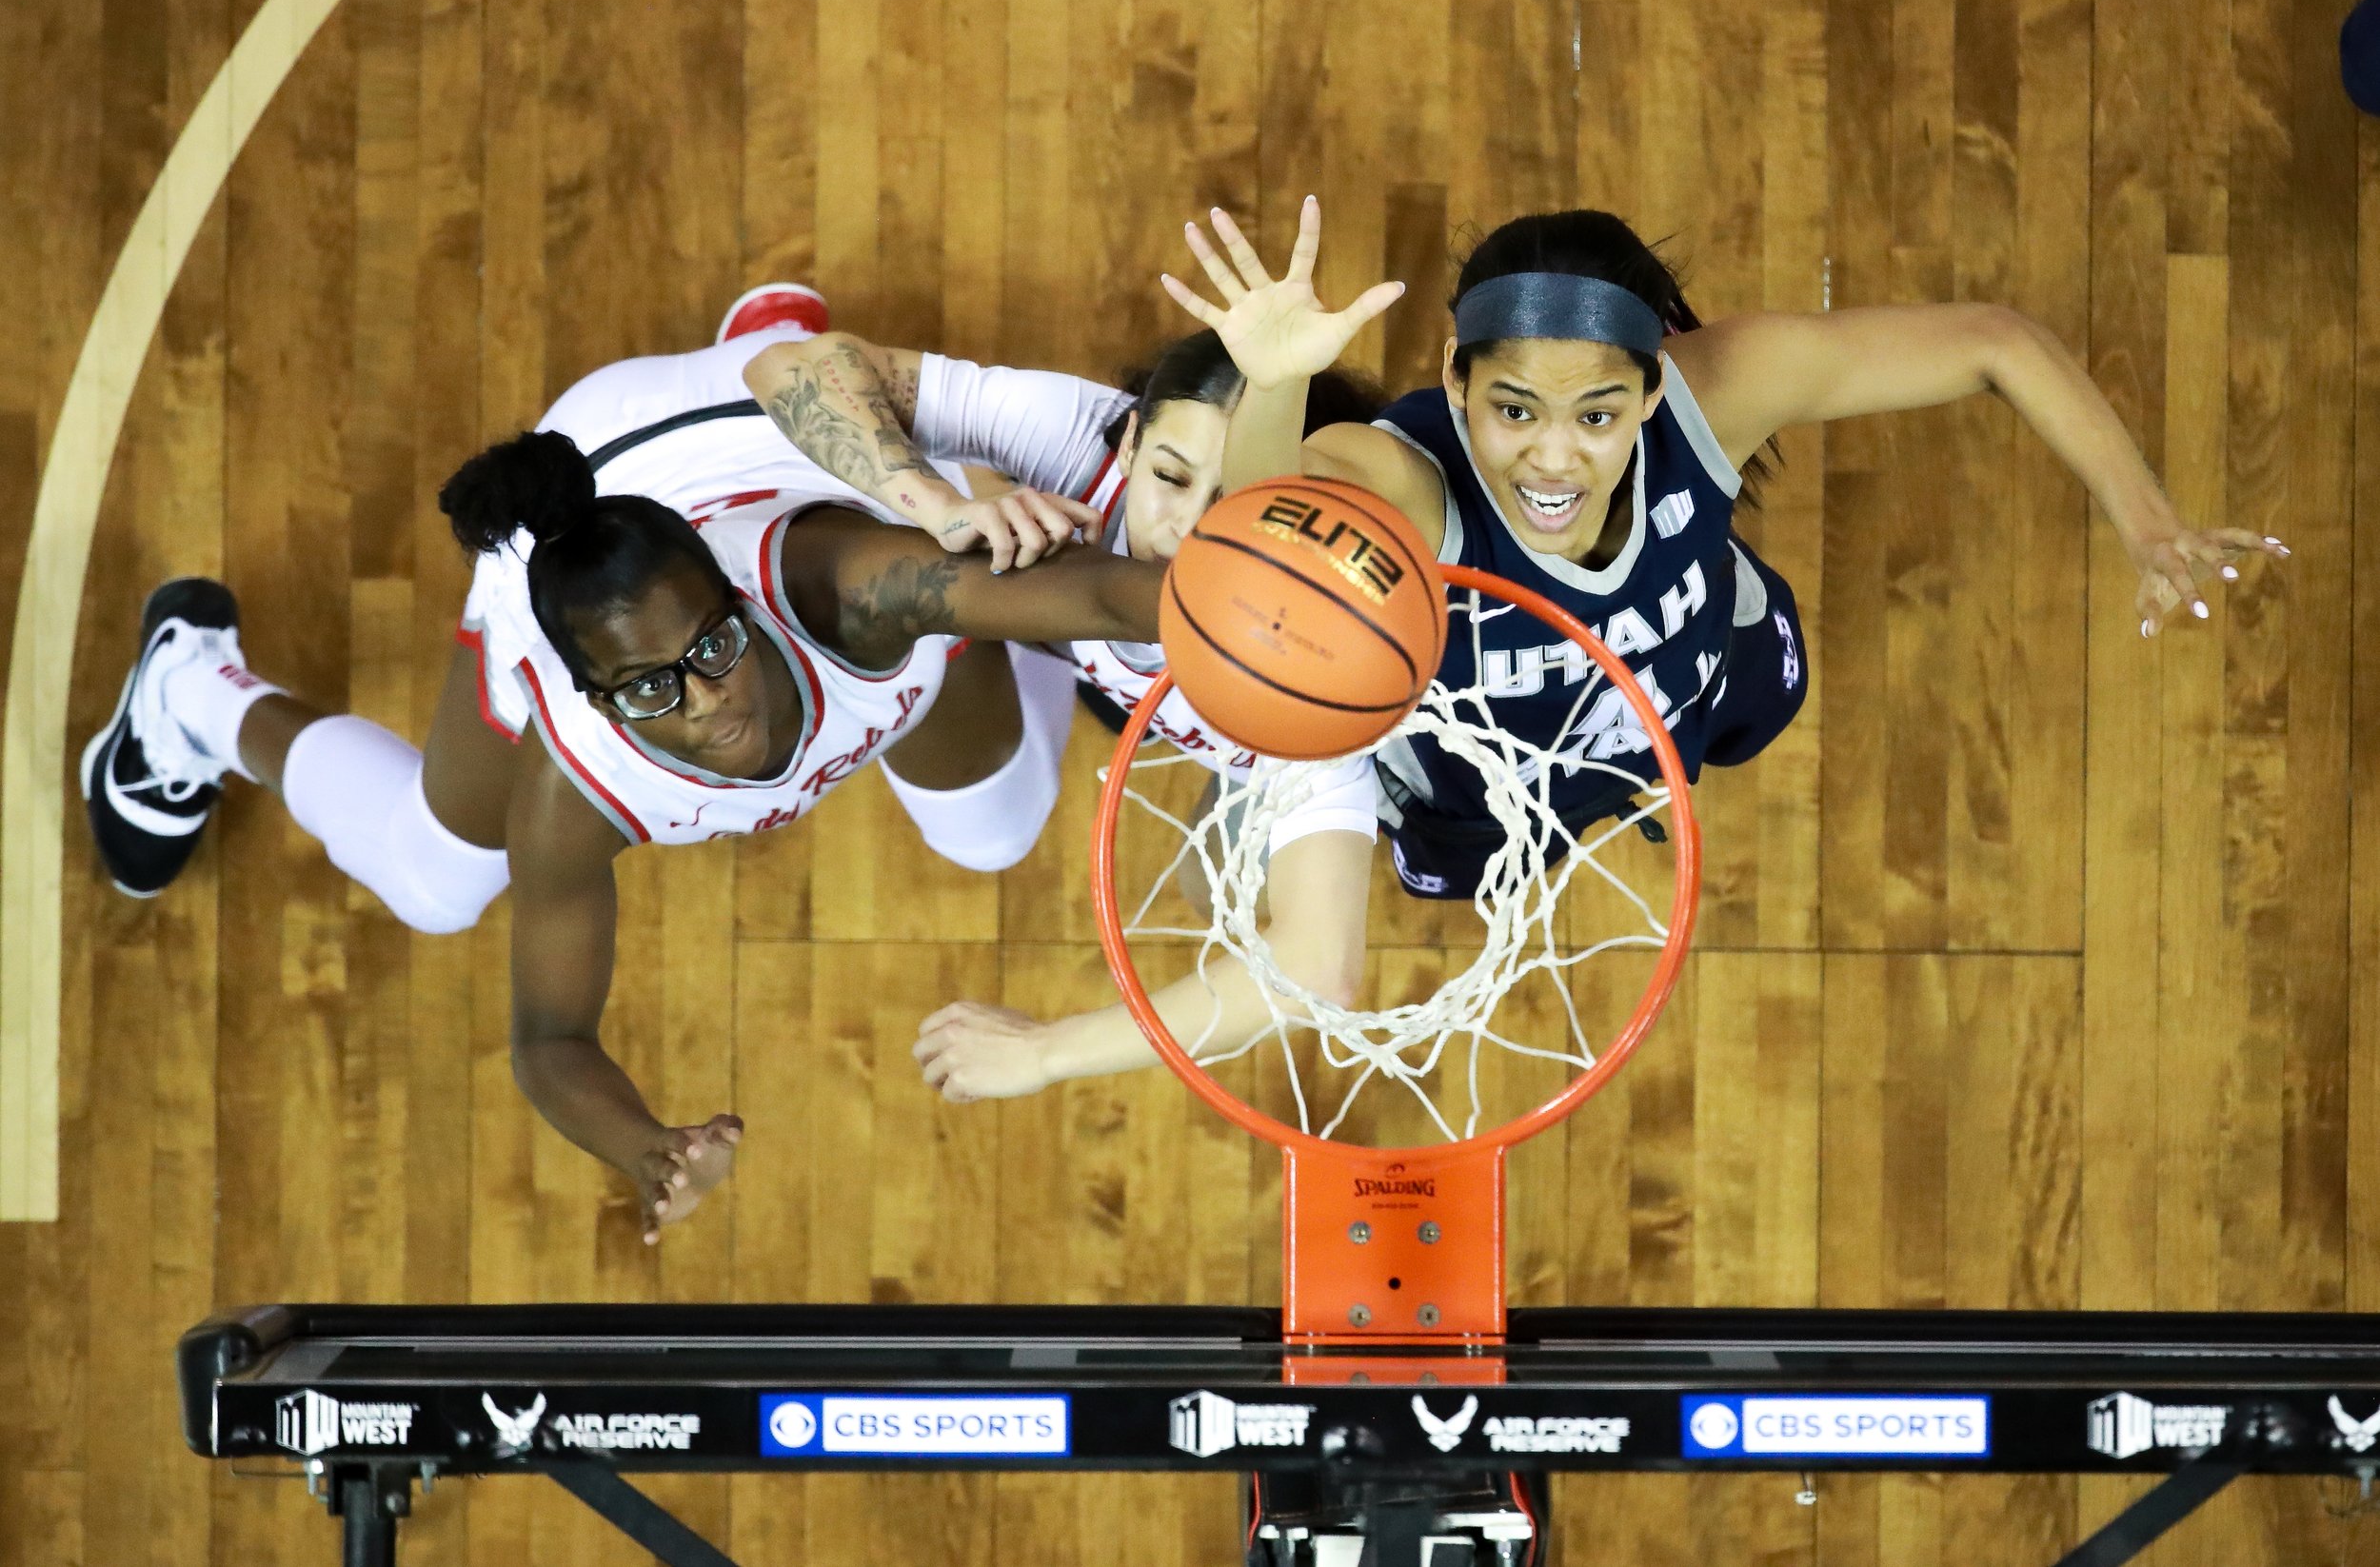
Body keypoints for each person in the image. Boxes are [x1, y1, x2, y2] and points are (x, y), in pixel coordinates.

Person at [82, 292, 1165, 1240]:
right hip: (586, 494)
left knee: (996, 777)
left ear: (740, 605)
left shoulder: (853, 591)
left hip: (746, 454)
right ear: (587, 698)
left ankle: (784, 361)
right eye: (651, 688)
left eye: (711, 648)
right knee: (435, 880)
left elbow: (1101, 592)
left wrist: (1264, 630)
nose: (709, 699)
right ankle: (190, 690)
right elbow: (549, 1037)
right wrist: (644, 1144)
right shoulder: (572, 779)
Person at [1162, 198, 2286, 900]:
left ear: (1654, 386)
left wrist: (2144, 515)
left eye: (1596, 414)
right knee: (1470, 875)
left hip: (1697, 673)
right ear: (1455, 380)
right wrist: (1276, 384)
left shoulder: (1717, 393)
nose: (1553, 457)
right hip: (1483, 776)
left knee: (1754, 713)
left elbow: (1992, 339)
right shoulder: (1409, 476)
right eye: (1511, 409)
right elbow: (1274, 524)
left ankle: (1679, 727)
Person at [738, 327, 1389, 1102]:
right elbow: (784, 363)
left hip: (1253, 722)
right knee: (970, 554)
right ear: (1132, 440)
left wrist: (1047, 1051)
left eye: (1237, 502)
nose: (1187, 529)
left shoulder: (1327, 680)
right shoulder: (1078, 439)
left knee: (1205, 887)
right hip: (1108, 649)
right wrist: (943, 508)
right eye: (1171, 477)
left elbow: (1317, 968)